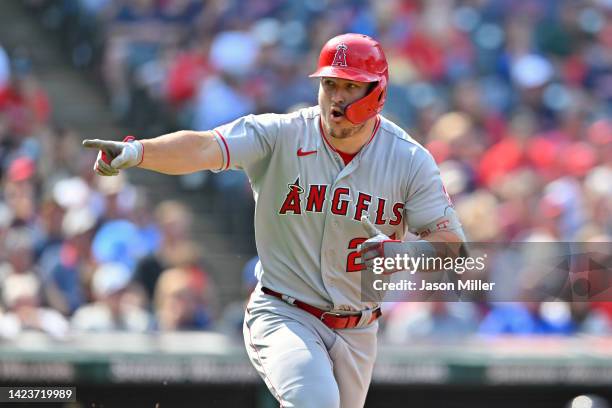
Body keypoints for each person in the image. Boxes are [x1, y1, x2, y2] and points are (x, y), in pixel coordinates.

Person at [83, 33, 465, 408]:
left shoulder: (409, 160)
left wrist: (402, 253)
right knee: (315, 402)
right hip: (285, 310)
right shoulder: (281, 134)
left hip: (358, 329)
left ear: (376, 94)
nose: (336, 96)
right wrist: (137, 152)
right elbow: (203, 146)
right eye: (329, 83)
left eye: (350, 86)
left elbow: (454, 250)